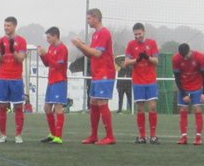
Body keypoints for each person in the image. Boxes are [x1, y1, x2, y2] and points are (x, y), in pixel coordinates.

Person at [71, 8, 116, 144]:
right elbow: (90, 54)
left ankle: (110, 136)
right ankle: (94, 135)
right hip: (96, 73)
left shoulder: (104, 33)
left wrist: (81, 45)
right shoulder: (95, 35)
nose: (87, 21)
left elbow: (97, 53)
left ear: (96, 18)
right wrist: (81, 47)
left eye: (89, 18)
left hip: (105, 73)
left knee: (102, 102)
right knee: (93, 103)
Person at [122, 22, 160, 143]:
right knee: (140, 108)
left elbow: (156, 61)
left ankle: (153, 136)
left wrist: (147, 58)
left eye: (139, 34)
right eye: (135, 34)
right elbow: (126, 62)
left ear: (144, 32)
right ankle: (142, 136)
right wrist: (136, 60)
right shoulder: (130, 45)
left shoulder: (152, 43)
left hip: (150, 80)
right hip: (138, 80)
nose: (137, 36)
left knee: (152, 107)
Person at [0, 16, 27, 143]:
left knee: (18, 107)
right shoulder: (0, 41)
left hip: (16, 78)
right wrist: (2, 53)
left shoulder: (22, 41)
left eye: (8, 25)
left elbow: (20, 59)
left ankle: (18, 135)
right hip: (2, 78)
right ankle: (3, 135)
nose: (6, 28)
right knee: (2, 106)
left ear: (14, 26)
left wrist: (13, 51)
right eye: (5, 25)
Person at [172, 42, 204, 145]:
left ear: (190, 51)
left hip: (197, 88)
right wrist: (183, 94)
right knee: (183, 109)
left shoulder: (200, 57)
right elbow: (177, 78)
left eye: (186, 56)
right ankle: (183, 137)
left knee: (197, 109)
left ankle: (198, 137)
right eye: (183, 56)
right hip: (184, 87)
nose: (185, 58)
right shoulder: (176, 59)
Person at [39, 26, 68, 143]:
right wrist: (42, 55)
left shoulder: (62, 48)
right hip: (51, 81)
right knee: (47, 108)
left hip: (59, 81)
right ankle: (53, 134)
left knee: (58, 108)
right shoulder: (51, 47)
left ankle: (58, 137)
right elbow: (47, 64)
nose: (47, 40)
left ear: (55, 36)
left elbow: (58, 66)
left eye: (49, 37)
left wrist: (47, 54)